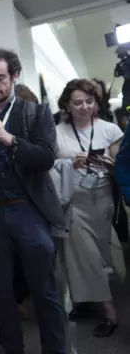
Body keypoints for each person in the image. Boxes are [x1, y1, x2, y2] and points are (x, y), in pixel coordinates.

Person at [0, 48, 66, 354]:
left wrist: (10, 140)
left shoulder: (36, 112)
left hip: (27, 211)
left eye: (0, 78)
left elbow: (46, 157)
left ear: (14, 76)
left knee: (44, 292)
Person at [54, 79, 122, 337]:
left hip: (102, 200)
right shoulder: (56, 132)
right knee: (87, 256)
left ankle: (90, 301)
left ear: (96, 103)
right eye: (77, 102)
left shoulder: (109, 130)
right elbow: (46, 166)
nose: (84, 107)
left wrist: (107, 164)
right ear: (67, 106)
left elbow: (121, 168)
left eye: (89, 102)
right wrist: (69, 163)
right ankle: (109, 311)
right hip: (73, 202)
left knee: (100, 256)